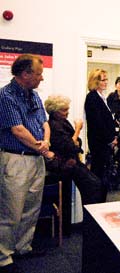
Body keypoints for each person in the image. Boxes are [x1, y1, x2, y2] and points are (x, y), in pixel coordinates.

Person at [0, 54, 53, 272]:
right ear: (25, 74)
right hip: (16, 158)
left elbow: (44, 122)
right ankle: (3, 255)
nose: (41, 78)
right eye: (39, 74)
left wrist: (46, 141)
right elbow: (17, 129)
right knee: (11, 209)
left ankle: (22, 246)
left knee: (32, 207)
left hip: (36, 159)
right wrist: (41, 146)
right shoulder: (6, 95)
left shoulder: (34, 95)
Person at [44, 95, 106, 205]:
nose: (67, 112)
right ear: (55, 111)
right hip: (66, 165)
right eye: (64, 110)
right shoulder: (54, 126)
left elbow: (77, 142)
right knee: (94, 186)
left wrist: (75, 141)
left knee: (96, 185)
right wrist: (77, 129)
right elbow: (71, 146)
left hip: (71, 162)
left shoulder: (63, 122)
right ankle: (90, 218)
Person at [84, 69, 118, 194]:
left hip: (104, 142)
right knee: (99, 174)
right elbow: (98, 123)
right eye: (103, 80)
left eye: (106, 79)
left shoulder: (102, 97)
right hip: (99, 143)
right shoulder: (92, 97)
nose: (106, 82)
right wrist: (110, 139)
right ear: (95, 81)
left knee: (104, 173)